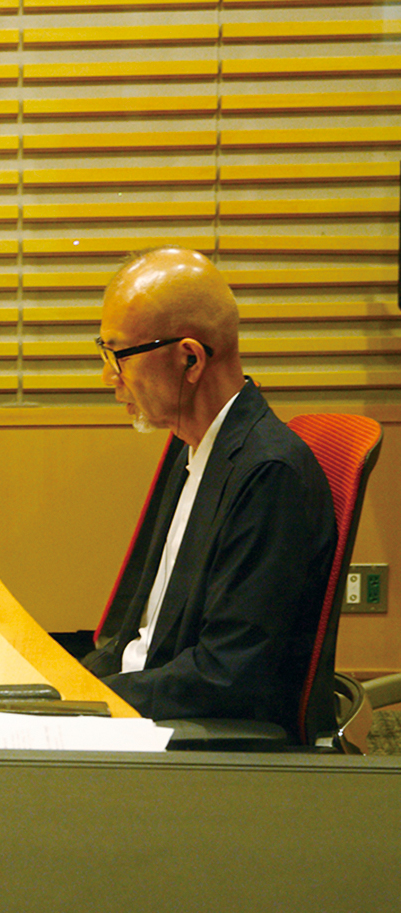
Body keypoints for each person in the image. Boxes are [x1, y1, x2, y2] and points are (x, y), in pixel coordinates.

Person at [82, 247, 336, 737]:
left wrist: (92, 699)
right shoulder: (191, 446)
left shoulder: (268, 475)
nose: (109, 376)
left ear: (190, 359)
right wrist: (60, 684)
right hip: (152, 697)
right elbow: (143, 633)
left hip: (198, 737)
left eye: (119, 356)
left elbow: (227, 675)